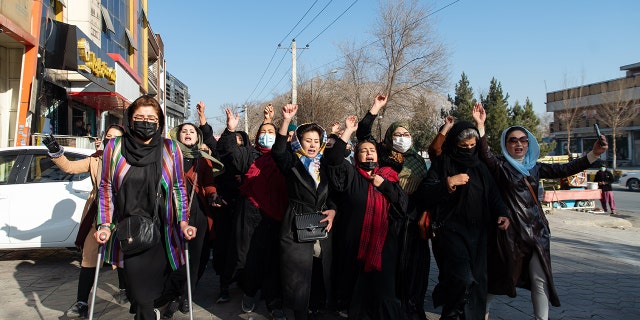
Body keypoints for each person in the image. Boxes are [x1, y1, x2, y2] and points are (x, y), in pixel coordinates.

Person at [472, 102, 608, 320]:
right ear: (505, 144)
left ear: (529, 143)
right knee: (500, 280)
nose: (518, 144)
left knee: (540, 280)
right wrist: (480, 126)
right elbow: (484, 153)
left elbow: (565, 169)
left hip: (537, 234)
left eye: (523, 140)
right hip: (510, 236)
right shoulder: (500, 166)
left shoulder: (535, 167)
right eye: (513, 140)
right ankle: (482, 311)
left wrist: (593, 154)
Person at [94, 95, 195, 320]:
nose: (145, 122)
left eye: (151, 118)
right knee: (138, 295)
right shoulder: (115, 147)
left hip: (162, 231)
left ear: (159, 122)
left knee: (151, 294)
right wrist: (104, 224)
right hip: (129, 231)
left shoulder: (170, 149)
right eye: (140, 117)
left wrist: (184, 221)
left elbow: (178, 187)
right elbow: (107, 187)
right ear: (130, 120)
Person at [416, 120, 510, 320]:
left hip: (478, 233)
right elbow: (425, 192)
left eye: (472, 146)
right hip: (451, 232)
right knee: (462, 278)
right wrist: (448, 183)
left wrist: (502, 213)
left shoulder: (480, 166)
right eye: (463, 146)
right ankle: (451, 314)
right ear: (454, 145)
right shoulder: (444, 163)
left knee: (476, 281)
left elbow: (493, 194)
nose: (468, 149)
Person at [325, 116, 408, 319]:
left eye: (371, 150)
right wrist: (347, 132)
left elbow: (403, 206)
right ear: (356, 156)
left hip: (382, 247)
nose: (369, 153)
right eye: (363, 150)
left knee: (383, 295)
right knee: (355, 297)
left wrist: (385, 186)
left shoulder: (388, 176)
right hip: (353, 245)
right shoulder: (350, 174)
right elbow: (334, 159)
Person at [355, 93, 430, 319]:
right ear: (389, 137)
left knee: (415, 271)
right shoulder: (384, 154)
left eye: (406, 134)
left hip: (413, 221)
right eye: (397, 134)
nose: (402, 138)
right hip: (390, 219)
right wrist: (375, 108)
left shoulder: (417, 160)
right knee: (390, 271)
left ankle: (411, 309)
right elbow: (363, 134)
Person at [42, 124, 128, 318]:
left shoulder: (128, 160)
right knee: (88, 258)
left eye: (115, 137)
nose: (110, 140)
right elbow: (70, 167)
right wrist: (56, 152)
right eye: (108, 136)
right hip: (96, 214)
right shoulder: (95, 159)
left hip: (121, 214)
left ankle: (124, 289)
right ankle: (81, 302)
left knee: (122, 252)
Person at [271, 104, 336, 320]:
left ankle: (316, 308)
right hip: (295, 223)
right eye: (308, 140)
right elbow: (278, 150)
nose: (312, 144)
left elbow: (333, 195)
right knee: (297, 276)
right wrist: (286, 121)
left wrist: (333, 211)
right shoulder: (292, 162)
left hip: (321, 223)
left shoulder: (324, 165)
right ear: (299, 141)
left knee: (319, 271)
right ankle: (297, 313)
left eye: (316, 141)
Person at [224, 103, 288, 319]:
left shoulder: (284, 157)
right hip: (250, 213)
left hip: (275, 215)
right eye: (263, 132)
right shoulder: (250, 155)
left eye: (271, 132)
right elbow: (231, 153)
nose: (267, 136)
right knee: (249, 257)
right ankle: (250, 292)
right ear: (256, 136)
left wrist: (272, 121)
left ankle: (274, 302)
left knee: (273, 260)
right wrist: (231, 131)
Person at [161, 122, 225, 318]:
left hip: (197, 210)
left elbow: (208, 184)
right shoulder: (168, 157)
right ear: (177, 135)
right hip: (172, 210)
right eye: (184, 131)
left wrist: (213, 196)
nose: (188, 134)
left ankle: (187, 295)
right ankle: (169, 296)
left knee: (197, 257)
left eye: (192, 132)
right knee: (172, 256)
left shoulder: (202, 159)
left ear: (198, 137)